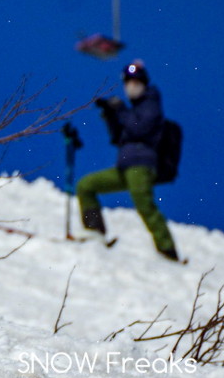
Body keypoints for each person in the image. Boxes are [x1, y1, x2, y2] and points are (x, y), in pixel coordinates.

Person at [75, 59, 179, 261]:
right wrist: (109, 115)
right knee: (86, 185)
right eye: (128, 83)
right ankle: (94, 231)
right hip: (125, 167)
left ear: (143, 83)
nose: (131, 86)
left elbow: (138, 128)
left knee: (143, 203)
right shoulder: (133, 109)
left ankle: (167, 249)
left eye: (135, 82)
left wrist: (120, 109)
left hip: (141, 166)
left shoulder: (151, 103)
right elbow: (118, 137)